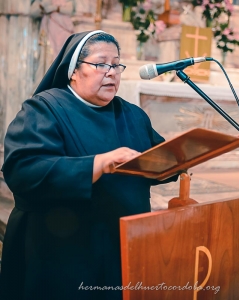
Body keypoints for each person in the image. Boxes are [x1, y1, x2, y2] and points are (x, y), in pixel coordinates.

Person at [0, 30, 177, 300]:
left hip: (123, 245)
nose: (112, 72)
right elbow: (24, 171)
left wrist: (185, 157)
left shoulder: (132, 114)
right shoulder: (43, 109)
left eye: (116, 64)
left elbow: (155, 161)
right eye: (101, 63)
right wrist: (97, 164)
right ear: (73, 70)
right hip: (62, 251)